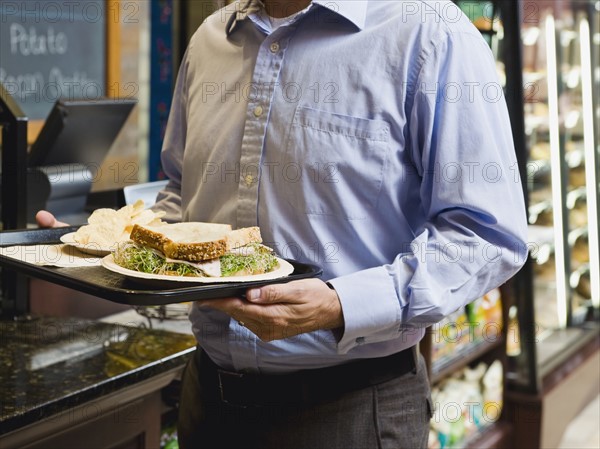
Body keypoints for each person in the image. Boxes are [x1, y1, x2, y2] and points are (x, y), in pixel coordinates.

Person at [39, 1, 528, 447]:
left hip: (352, 412)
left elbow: (487, 233)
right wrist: (106, 242)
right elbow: (183, 196)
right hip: (207, 401)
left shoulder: (430, 33)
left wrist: (343, 305)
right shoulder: (211, 39)